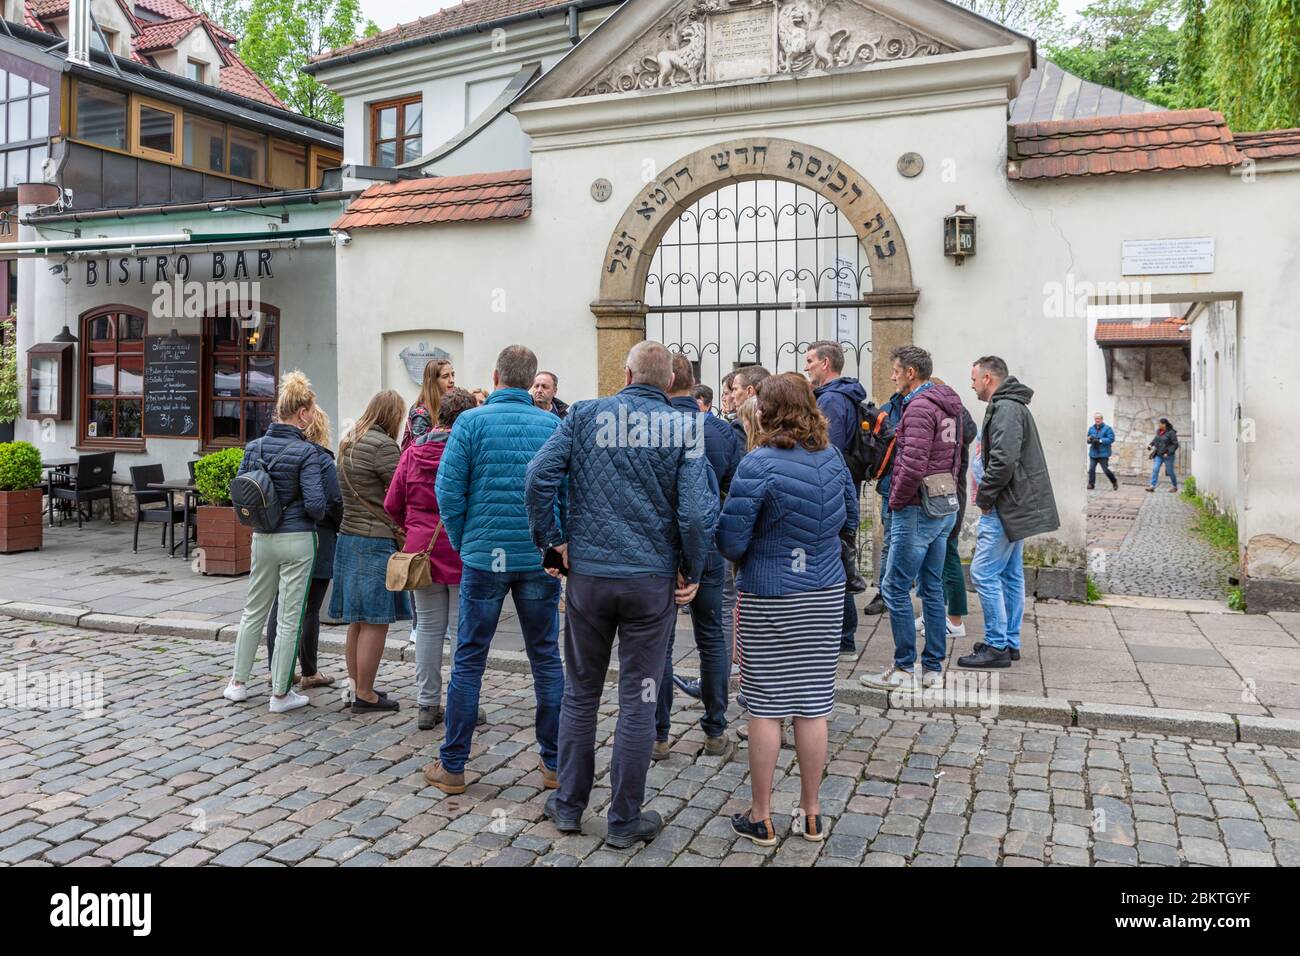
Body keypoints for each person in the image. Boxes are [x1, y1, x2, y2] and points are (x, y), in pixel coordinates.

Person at [527, 341, 717, 849]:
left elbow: (538, 475)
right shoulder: (686, 426)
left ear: (626, 371)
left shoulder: (586, 414)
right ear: (673, 381)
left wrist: (551, 542)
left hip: (590, 576)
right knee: (640, 697)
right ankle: (624, 819)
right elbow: (698, 513)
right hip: (648, 581)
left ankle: (569, 805)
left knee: (581, 691)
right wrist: (689, 569)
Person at [718, 373, 857, 845]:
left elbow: (732, 538)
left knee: (765, 704)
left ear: (768, 411)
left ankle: (761, 815)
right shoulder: (833, 457)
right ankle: (811, 813)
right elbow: (851, 519)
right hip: (824, 591)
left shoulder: (758, 463)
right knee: (813, 704)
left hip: (771, 591)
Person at [423, 346, 565, 796]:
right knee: (545, 657)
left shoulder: (471, 423)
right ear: (529, 382)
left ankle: (455, 764)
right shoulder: (551, 425)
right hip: (537, 556)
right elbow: (563, 493)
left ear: (496, 375)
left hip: (485, 556)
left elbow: (447, 491)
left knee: (469, 658)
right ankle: (555, 763)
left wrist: (467, 541)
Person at [224, 371, 335, 714]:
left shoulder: (254, 447)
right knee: (289, 617)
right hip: (298, 538)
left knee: (253, 611)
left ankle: (237, 684)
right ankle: (280, 694)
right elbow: (318, 505)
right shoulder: (308, 453)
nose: (314, 416)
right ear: (301, 413)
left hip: (262, 536)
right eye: (312, 410)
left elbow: (242, 495)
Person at [653, 354, 743, 762]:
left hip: (660, 550)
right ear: (692, 384)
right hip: (709, 546)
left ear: (666, 380)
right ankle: (715, 728)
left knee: (660, 643)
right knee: (711, 637)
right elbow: (734, 493)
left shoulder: (649, 427)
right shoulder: (723, 433)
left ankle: (658, 734)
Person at [861, 346, 965, 691]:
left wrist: (895, 500)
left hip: (917, 508)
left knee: (893, 586)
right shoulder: (949, 404)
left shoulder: (920, 407)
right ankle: (933, 667)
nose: (891, 376)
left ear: (909, 372)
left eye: (895, 370)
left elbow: (912, 464)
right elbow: (953, 458)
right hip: (943, 503)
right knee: (932, 587)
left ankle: (905, 667)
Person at [957, 356, 1060, 670]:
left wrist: (985, 497)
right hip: (1013, 504)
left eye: (974, 378)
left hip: (1005, 504)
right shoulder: (1010, 406)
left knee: (983, 573)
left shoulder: (1005, 408)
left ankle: (997, 645)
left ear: (988, 378)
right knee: (1010, 575)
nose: (971, 384)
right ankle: (1009, 642)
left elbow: (1003, 460)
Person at [385, 383, 465, 732]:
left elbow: (392, 504)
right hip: (460, 547)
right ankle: (464, 704)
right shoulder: (465, 452)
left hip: (421, 549)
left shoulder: (413, 452)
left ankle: (427, 704)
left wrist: (412, 528)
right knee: (463, 630)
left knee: (429, 629)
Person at [331, 389, 410, 712]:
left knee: (357, 621)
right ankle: (365, 693)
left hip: (348, 536)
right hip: (374, 540)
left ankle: (356, 686)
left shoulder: (349, 441)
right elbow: (400, 490)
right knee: (375, 621)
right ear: (392, 416)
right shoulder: (383, 446)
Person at [265, 404, 341, 691]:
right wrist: (338, 524)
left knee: (280, 606)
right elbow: (333, 502)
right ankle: (309, 671)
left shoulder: (275, 449)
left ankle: (277, 670)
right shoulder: (320, 459)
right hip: (316, 538)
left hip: (277, 536)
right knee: (309, 609)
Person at [805, 340, 867, 658]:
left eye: (810, 361)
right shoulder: (845, 395)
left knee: (836, 558)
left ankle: (844, 635)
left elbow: (830, 449)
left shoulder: (830, 400)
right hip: (845, 487)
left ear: (826, 363)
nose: (807, 367)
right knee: (837, 557)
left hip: (833, 490)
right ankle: (843, 633)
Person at [915, 390, 978, 644]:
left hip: (948, 493)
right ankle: (935, 614)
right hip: (947, 492)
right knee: (937, 557)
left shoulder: (950, 419)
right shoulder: (957, 417)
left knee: (949, 555)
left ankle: (955, 620)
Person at [862, 389, 903, 617]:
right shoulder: (887, 410)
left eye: (897, 372)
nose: (894, 378)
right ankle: (885, 593)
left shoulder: (928, 405)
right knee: (889, 542)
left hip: (919, 491)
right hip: (889, 487)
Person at [402, 359, 455, 450]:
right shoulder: (421, 412)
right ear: (433, 381)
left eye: (453, 375)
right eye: (445, 376)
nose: (452, 380)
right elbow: (420, 449)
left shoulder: (451, 405)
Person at [728, 365, 770, 447]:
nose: (732, 395)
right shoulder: (777, 422)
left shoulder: (739, 426)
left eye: (735, 389)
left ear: (749, 391)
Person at [1088, 413, 1119, 491]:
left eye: (1099, 418)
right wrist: (1089, 439)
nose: (1097, 420)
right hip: (1093, 453)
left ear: (1102, 419)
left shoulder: (1107, 428)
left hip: (1103, 454)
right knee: (1091, 469)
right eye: (1096, 419)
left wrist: (1100, 440)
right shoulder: (1091, 428)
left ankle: (1114, 481)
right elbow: (1088, 440)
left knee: (1106, 470)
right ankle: (1091, 484)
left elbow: (1111, 439)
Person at [1147, 418, 1179, 493]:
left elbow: (1175, 444)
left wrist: (1168, 452)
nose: (1159, 425)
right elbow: (1156, 439)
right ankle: (1152, 486)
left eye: (1160, 424)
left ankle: (1175, 486)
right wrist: (1151, 445)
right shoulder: (1159, 431)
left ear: (1164, 424)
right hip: (1158, 454)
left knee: (1170, 471)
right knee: (1155, 469)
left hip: (1168, 456)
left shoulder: (1171, 433)